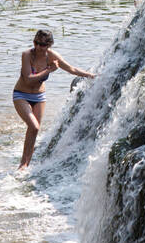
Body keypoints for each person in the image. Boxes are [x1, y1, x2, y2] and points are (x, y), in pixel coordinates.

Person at [13, 30, 94, 170]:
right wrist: (49, 70)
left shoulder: (52, 56)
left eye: (43, 45)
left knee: (34, 130)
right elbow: (28, 79)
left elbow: (72, 69)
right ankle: (23, 164)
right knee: (34, 126)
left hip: (39, 97)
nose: (39, 47)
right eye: (36, 43)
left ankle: (26, 164)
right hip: (21, 94)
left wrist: (92, 75)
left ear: (49, 45)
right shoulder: (27, 55)